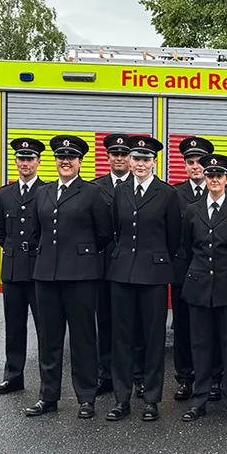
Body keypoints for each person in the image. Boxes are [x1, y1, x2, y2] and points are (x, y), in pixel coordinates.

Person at [26, 135, 112, 418]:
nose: (65, 161)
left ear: (79, 162)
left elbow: (103, 234)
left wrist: (80, 255)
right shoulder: (44, 192)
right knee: (49, 339)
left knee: (83, 338)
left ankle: (86, 397)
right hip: (47, 275)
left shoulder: (92, 192)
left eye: (71, 157)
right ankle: (48, 396)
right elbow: (37, 232)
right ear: (56, 161)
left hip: (81, 276)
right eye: (61, 157)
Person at [106, 136, 181, 423]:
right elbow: (115, 229)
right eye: (136, 159)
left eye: (145, 159)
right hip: (122, 273)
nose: (139, 164)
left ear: (154, 162)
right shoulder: (121, 190)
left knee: (153, 338)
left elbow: (173, 236)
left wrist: (157, 260)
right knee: (122, 338)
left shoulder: (166, 193)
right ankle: (121, 399)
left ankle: (151, 399)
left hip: (154, 274)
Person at [180, 154, 227, 423]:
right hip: (199, 285)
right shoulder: (192, 210)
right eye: (210, 176)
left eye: (219, 176)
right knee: (200, 344)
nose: (214, 180)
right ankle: (199, 399)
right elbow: (188, 247)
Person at [0, 138, 46, 396]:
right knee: (14, 327)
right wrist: (14, 249)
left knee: (45, 328)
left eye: (30, 159)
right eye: (21, 159)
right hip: (12, 270)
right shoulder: (6, 193)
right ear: (16, 162)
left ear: (38, 162)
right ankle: (13, 376)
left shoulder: (47, 192)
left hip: (38, 270)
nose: (25, 163)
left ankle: (48, 380)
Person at [91, 133, 142, 397]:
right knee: (107, 321)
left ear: (131, 159)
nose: (120, 158)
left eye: (125, 154)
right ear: (108, 157)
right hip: (103, 265)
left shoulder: (143, 186)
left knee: (136, 323)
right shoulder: (95, 187)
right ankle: (107, 374)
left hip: (134, 265)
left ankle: (138, 375)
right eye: (115, 154)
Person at [170, 136, 214, 402]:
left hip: (211, 272)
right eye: (190, 162)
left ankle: (211, 378)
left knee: (211, 327)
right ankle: (185, 378)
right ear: (184, 165)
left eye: (200, 162)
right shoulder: (174, 194)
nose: (195, 166)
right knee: (184, 328)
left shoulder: (219, 192)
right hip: (183, 271)